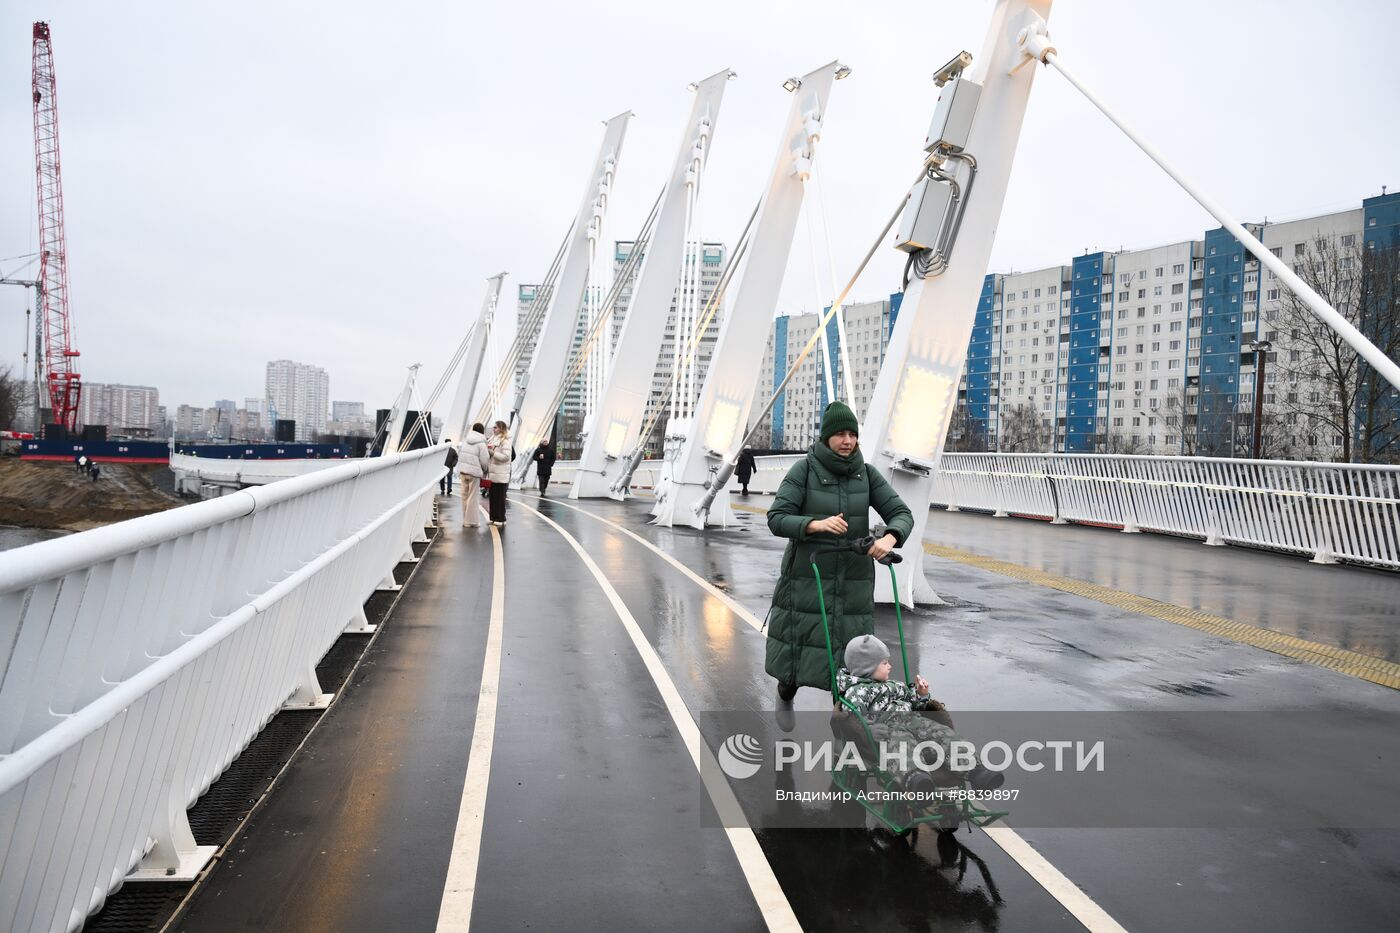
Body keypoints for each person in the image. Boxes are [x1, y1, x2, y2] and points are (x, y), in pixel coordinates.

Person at [765, 400, 914, 727]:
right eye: (840, 434)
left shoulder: (867, 475)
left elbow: (902, 514)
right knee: (798, 649)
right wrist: (815, 524)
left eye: (852, 434)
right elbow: (777, 519)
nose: (847, 441)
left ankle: (845, 723)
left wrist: (888, 539)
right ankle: (785, 693)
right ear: (826, 437)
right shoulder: (803, 471)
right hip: (808, 578)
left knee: (852, 660)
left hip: (853, 584)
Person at [838, 634, 1003, 792]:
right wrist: (868, 730)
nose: (890, 666)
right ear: (868, 667)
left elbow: (913, 702)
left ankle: (976, 771)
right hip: (888, 729)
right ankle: (917, 779)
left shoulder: (895, 685)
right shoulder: (858, 692)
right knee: (902, 746)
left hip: (914, 722)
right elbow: (853, 716)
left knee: (942, 733)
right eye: (885, 663)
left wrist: (921, 695)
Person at [457, 423, 490, 527]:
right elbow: (484, 460)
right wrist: (484, 470)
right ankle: (471, 521)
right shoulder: (481, 443)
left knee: (464, 496)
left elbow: (460, 456)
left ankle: (465, 520)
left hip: (463, 472)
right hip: (474, 473)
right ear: (482, 431)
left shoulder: (466, 441)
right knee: (472, 497)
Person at [485, 421, 513, 526]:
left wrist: (493, 453)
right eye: (493, 427)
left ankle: (501, 519)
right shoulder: (492, 440)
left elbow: (506, 457)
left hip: (500, 473)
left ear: (501, 428)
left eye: (495, 427)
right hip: (492, 473)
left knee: (499, 498)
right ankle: (493, 517)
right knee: (492, 498)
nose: (493, 429)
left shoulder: (505, 442)